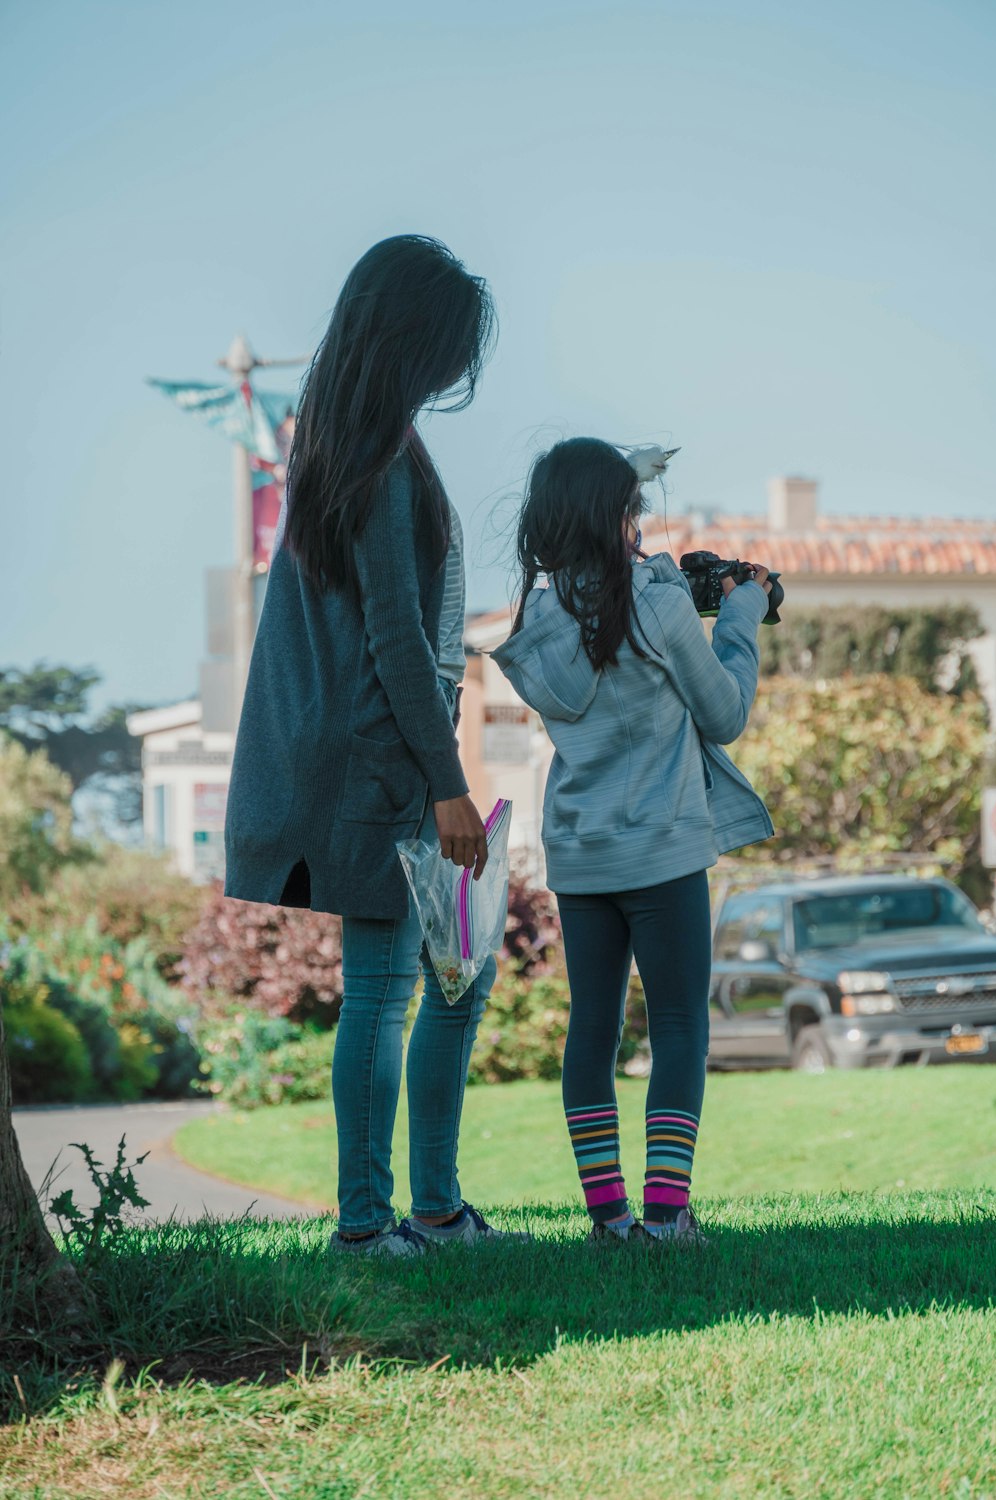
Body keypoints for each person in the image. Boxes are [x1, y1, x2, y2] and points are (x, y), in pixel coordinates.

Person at [225, 234, 520, 1256]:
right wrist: (448, 788)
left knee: (455, 972)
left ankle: (430, 1211)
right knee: (396, 986)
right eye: (446, 348)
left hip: (376, 753)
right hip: (370, 764)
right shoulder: (374, 458)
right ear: (410, 341)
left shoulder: (355, 441)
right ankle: (368, 1226)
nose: (454, 371)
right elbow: (395, 637)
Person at [492, 437, 774, 1244]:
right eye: (634, 510)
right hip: (665, 852)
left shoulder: (537, 620)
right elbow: (724, 715)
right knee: (681, 1025)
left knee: (594, 1029)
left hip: (581, 859)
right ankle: (667, 1213)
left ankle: (609, 1217)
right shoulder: (657, 605)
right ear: (618, 519)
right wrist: (743, 613)